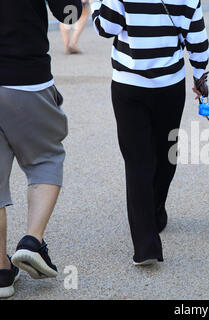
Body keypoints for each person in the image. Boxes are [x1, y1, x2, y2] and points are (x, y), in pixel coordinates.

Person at [90, 0, 209, 266]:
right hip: (170, 83)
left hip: (129, 83)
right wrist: (201, 78)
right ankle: (154, 212)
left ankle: (146, 244)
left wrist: (97, 6)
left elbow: (106, 27)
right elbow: (198, 39)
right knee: (167, 151)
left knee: (137, 162)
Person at [0, 0, 82, 298]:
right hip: (27, 79)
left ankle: (1, 272)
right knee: (46, 159)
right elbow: (68, 11)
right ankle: (32, 242)